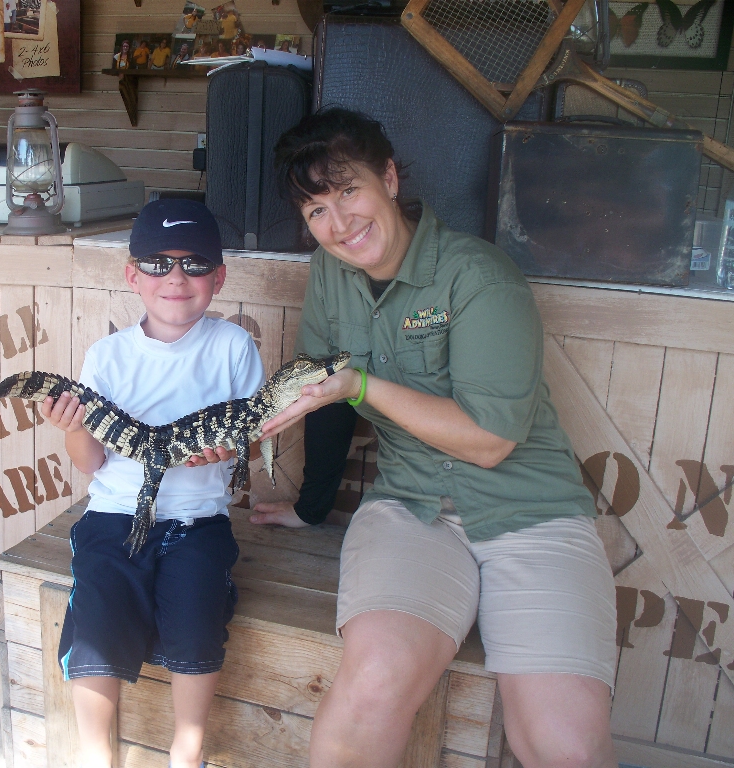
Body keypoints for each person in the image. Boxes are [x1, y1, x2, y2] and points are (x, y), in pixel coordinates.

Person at [195, 108, 619, 768]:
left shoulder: (478, 276)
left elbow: (490, 441)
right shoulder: (331, 274)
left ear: (389, 178)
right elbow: (323, 399)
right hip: (413, 510)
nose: (339, 223)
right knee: (373, 684)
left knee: (562, 743)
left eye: (349, 191)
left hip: (531, 513)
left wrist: (359, 385)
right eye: (316, 211)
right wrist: (312, 506)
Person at [40, 199, 266, 768]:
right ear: (132, 275)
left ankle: (186, 749)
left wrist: (233, 447)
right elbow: (90, 463)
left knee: (197, 616)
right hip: (114, 514)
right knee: (98, 612)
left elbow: (250, 438)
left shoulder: (234, 347)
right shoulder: (107, 356)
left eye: (194, 264)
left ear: (218, 277)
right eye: (158, 263)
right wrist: (72, 427)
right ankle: (96, 753)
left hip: (198, 520)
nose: (176, 278)